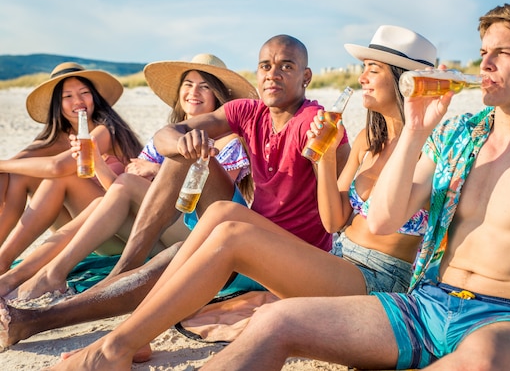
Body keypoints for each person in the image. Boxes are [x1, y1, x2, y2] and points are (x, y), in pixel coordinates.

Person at [204, 1, 510, 371]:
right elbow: (386, 218)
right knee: (276, 321)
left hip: (508, 318)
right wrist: (416, 130)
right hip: (426, 304)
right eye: (483, 53)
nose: (485, 65)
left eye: (504, 53)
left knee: (482, 361)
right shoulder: (460, 134)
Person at [39, 25, 435, 369]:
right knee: (223, 214)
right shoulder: (369, 140)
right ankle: (135, 332)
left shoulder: (432, 147)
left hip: (378, 281)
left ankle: (115, 347)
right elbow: (337, 222)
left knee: (230, 234)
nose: (362, 77)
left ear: (405, 80)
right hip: (339, 258)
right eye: (364, 68)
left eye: (373, 69)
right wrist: (326, 160)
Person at [0, 34, 350, 350]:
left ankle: (33, 320)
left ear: (305, 77)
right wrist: (185, 140)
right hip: (246, 223)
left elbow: (337, 212)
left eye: (286, 66)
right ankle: (123, 269)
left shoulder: (316, 123)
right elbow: (167, 135)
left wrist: (327, 154)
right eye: (265, 65)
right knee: (181, 154)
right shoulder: (248, 111)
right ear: (257, 74)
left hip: (286, 252)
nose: (273, 73)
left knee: (175, 259)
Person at [0, 54, 256, 300]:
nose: (194, 92)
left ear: (219, 97)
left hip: (194, 235)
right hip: (152, 233)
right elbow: (120, 195)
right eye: (188, 84)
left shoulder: (228, 141)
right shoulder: (164, 139)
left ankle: (51, 273)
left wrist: (159, 172)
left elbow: (217, 201)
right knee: (105, 198)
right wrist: (98, 162)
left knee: (118, 186)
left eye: (205, 87)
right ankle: (19, 276)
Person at [0, 63, 143, 273]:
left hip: (118, 233)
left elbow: (58, 167)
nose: (78, 101)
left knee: (62, 177)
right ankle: (2, 257)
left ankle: (3, 262)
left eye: (85, 93)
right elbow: (13, 166)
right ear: (57, 104)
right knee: (18, 175)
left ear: (95, 97)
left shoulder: (106, 131)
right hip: (82, 229)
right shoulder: (57, 138)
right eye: (67, 96)